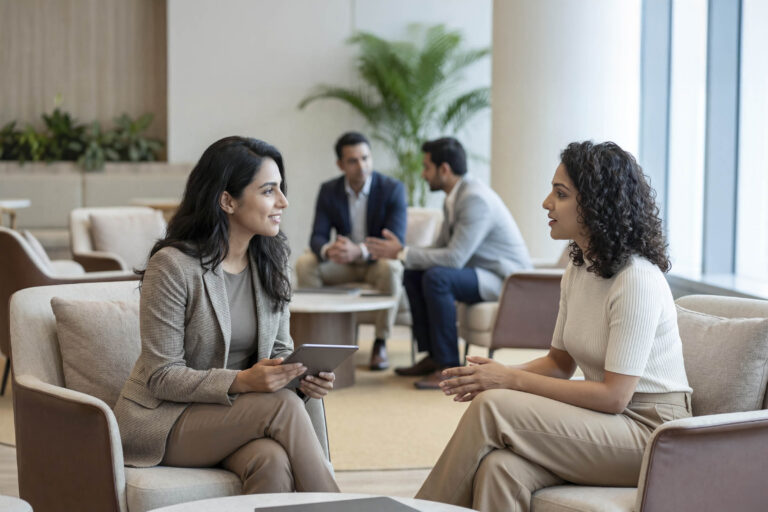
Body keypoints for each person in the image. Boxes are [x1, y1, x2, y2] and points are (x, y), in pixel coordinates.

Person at [415, 141, 693, 511]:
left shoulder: (636, 279)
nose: (546, 203)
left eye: (560, 194)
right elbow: (559, 365)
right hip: (608, 421)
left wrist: (509, 382)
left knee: (493, 407)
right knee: (501, 468)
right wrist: (497, 373)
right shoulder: (578, 270)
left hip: (652, 433)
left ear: (597, 205)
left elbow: (614, 396)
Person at [113, 136, 340, 494]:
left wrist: (303, 378)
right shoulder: (173, 266)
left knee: (272, 461)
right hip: (167, 419)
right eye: (269, 191)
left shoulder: (273, 260)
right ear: (227, 200)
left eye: (281, 189)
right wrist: (243, 381)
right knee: (279, 406)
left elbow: (280, 349)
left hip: (240, 414)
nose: (283, 201)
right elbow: (161, 375)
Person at [367, 137, 532, 389]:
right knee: (413, 271)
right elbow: (440, 247)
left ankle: (448, 366)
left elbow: (454, 258)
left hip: (505, 279)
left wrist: (402, 251)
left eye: (426, 167)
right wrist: (404, 254)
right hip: (480, 271)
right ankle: (433, 357)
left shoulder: (474, 199)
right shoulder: (454, 197)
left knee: (437, 277)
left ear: (444, 169)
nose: (423, 174)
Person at [295, 132, 407, 371]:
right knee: (306, 263)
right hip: (342, 264)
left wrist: (360, 250)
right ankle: (318, 340)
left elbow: (395, 240)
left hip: (375, 263)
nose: (361, 166)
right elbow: (317, 236)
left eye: (365, 158)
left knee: (392, 267)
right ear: (340, 164)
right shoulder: (329, 190)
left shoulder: (392, 189)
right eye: (353, 161)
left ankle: (380, 342)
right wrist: (329, 250)